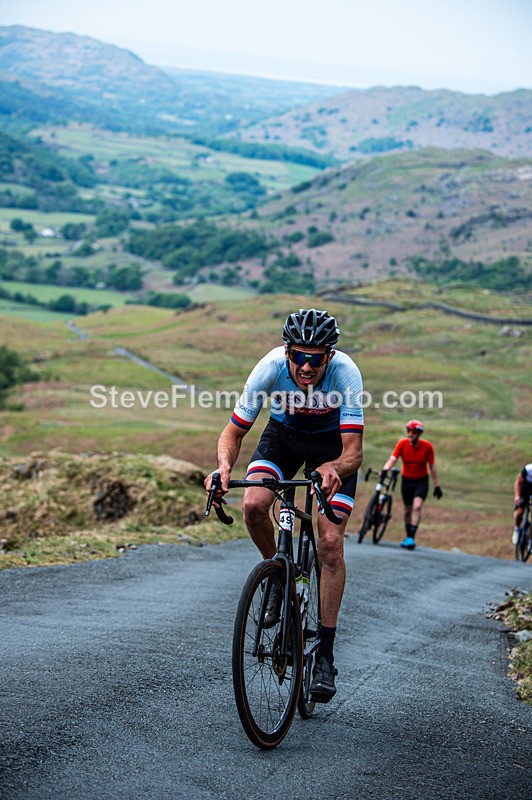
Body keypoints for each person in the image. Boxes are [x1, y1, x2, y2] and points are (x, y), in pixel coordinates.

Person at [205, 308, 364, 702]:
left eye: (316, 357)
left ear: (329, 356)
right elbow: (234, 431)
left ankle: (324, 655)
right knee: (253, 505)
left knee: (329, 543)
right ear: (287, 351)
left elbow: (354, 452)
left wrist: (334, 468)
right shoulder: (270, 367)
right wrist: (223, 468)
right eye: (298, 355)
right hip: (283, 438)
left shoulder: (346, 373)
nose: (306, 366)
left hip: (331, 447)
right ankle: (280, 573)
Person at [381, 420, 442, 550]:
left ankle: (412, 537)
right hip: (407, 480)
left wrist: (437, 485)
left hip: (421, 481)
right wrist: (385, 470)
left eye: (413, 432)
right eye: (409, 431)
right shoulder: (402, 444)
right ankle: (408, 535)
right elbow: (393, 459)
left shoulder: (427, 447)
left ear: (419, 434)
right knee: (407, 509)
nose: (410, 434)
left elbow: (432, 466)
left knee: (417, 506)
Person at [513, 464, 532, 544]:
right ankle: (517, 529)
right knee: (520, 511)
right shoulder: (528, 469)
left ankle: (530, 540)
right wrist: (517, 496)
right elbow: (518, 483)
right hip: (525, 489)